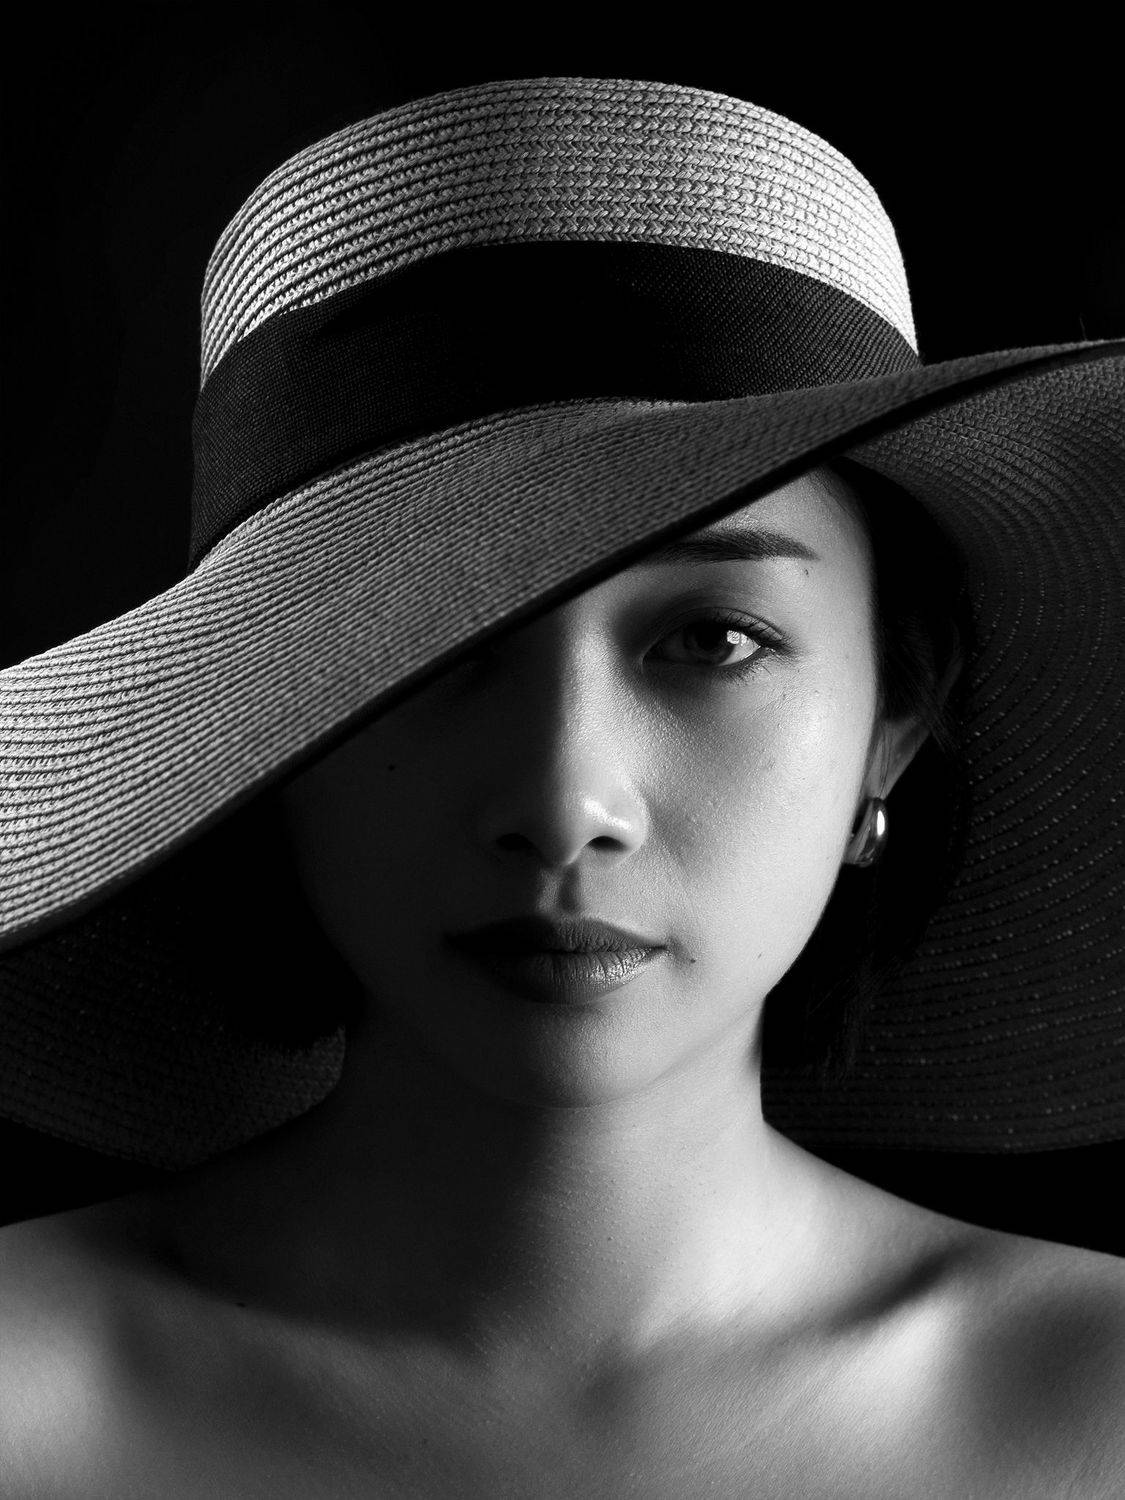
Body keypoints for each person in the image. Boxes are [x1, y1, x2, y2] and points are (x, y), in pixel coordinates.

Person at [1, 76, 1123, 1496]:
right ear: (267, 734)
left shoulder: (1095, 1407)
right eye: (430, 641)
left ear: (891, 721)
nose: (564, 798)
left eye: (713, 641)